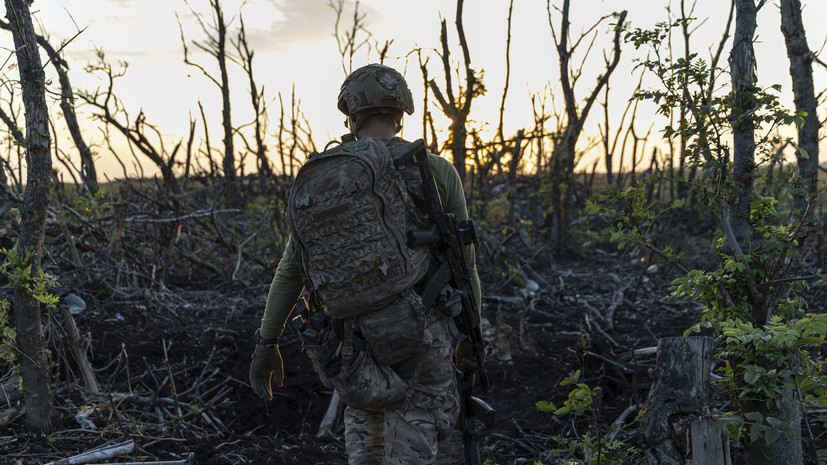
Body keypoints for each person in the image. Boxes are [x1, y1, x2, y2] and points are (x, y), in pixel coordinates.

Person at [249, 63, 482, 465]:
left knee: (367, 431)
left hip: (352, 338)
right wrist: (471, 338)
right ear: (400, 114)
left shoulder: (326, 178)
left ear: (351, 117)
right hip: (423, 332)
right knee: (418, 423)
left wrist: (266, 343)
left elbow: (292, 270)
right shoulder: (436, 171)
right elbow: (466, 264)